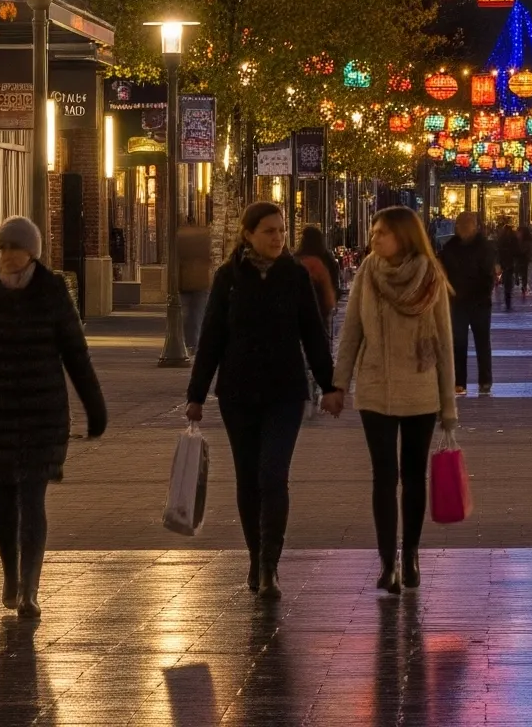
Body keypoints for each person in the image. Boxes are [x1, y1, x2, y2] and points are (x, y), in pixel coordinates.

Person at [0, 216, 107, 623]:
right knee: (3, 499)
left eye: (16, 249)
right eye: (3, 248)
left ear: (31, 253)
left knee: (32, 498)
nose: (8, 256)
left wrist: (94, 407)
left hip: (43, 414)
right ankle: (10, 574)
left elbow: (75, 353)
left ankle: (30, 588)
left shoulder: (52, 293)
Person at [186, 202, 341, 599]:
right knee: (248, 478)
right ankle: (256, 557)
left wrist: (330, 386)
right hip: (238, 394)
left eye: (282, 230)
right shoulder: (229, 278)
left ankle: (271, 563)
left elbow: (312, 334)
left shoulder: (294, 276)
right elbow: (212, 339)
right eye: (269, 231)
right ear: (249, 234)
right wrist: (196, 394)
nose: (278, 238)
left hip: (284, 393)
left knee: (272, 475)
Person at [335, 206, 458, 593]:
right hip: (375, 388)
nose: (374, 237)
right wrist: (339, 385)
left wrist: (448, 405)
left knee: (413, 476)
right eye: (374, 231)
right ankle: (388, 560)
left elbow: (444, 344)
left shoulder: (429, 277)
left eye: (382, 232)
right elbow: (352, 330)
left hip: (420, 390)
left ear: (403, 236)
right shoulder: (368, 273)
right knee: (383, 477)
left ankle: (413, 553)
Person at [438, 210, 496, 396]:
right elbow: (442, 269)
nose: (463, 228)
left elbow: (488, 276)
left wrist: (481, 294)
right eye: (460, 225)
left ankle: (485, 380)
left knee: (482, 343)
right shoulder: (450, 247)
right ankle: (459, 381)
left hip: (478, 302)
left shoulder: (484, 246)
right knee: (458, 342)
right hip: (458, 302)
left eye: (467, 224)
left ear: (474, 226)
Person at [174, 218, 213, 350]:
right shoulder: (204, 236)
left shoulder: (180, 236)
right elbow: (208, 256)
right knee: (197, 313)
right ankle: (194, 342)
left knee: (186, 313)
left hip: (184, 280)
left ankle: (188, 341)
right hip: (200, 280)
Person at [296, 226, 339, 336]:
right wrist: (332, 303)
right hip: (321, 308)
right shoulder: (326, 259)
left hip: (298, 310)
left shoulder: (296, 259)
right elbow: (331, 284)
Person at [494, 219, 523, 313]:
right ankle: (508, 296)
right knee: (509, 279)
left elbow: (497, 250)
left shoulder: (501, 239)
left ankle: (507, 292)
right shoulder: (514, 239)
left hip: (503, 262)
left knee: (506, 278)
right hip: (510, 262)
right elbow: (518, 250)